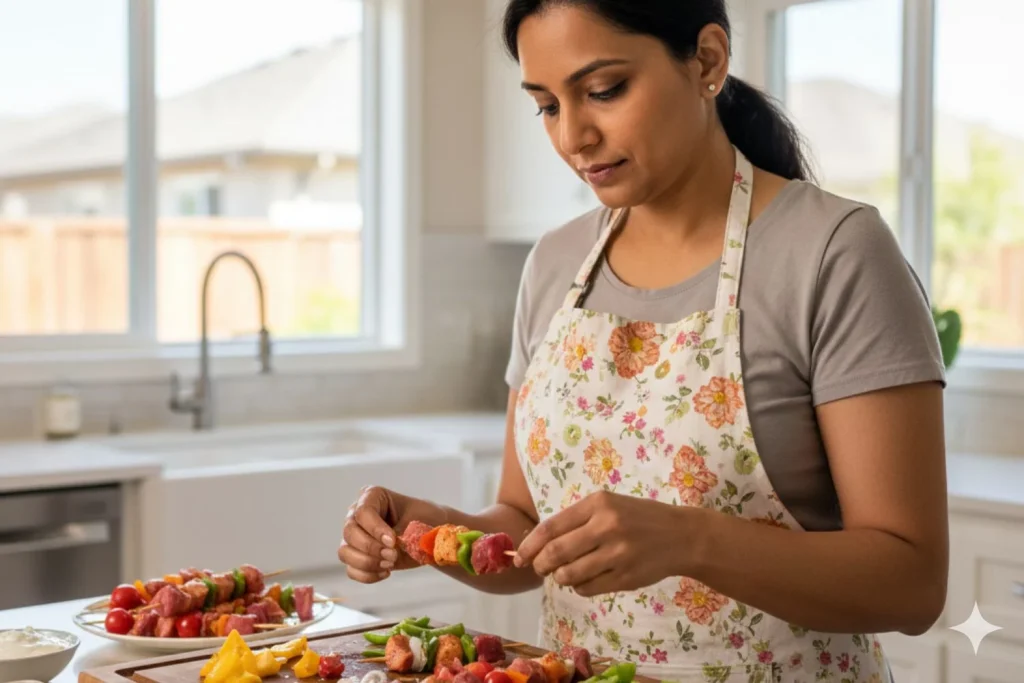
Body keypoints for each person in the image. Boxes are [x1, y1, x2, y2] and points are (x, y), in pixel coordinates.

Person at [338, 1, 949, 680]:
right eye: (545, 105)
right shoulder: (553, 265)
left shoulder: (834, 252)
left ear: (707, 61)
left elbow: (912, 581)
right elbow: (525, 522)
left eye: (603, 91)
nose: (574, 136)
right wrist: (431, 530)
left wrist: (689, 538)